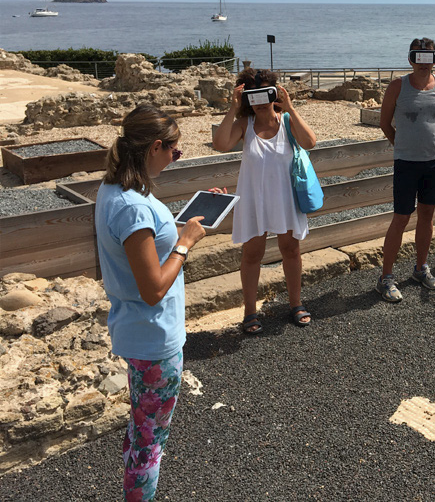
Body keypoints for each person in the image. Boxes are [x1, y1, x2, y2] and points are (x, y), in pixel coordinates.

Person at [94, 104, 207, 501]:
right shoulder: (134, 207)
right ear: (155, 147)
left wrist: (179, 228)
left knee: (141, 429)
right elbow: (154, 288)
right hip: (154, 338)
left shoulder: (114, 190)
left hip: (135, 331)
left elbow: (141, 246)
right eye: (174, 152)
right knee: (151, 443)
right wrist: (185, 242)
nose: (176, 159)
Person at [212, 68, 318, 333]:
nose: (259, 102)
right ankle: (250, 312)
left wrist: (291, 109)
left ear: (274, 94)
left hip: (285, 198)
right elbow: (220, 145)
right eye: (252, 96)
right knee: (252, 255)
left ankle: (295, 303)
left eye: (264, 95)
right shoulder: (244, 125)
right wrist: (233, 108)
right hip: (253, 200)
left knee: (291, 250)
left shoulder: (286, 121)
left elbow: (311, 142)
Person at [376, 37, 435, 302]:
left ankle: (420, 269)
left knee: (427, 216)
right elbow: (385, 122)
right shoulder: (398, 86)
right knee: (400, 218)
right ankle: (386, 277)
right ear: (410, 59)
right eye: (418, 57)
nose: (423, 63)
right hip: (406, 163)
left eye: (428, 57)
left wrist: (433, 145)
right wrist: (403, 146)